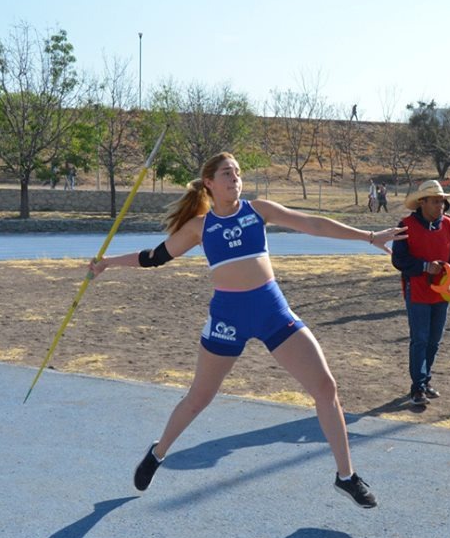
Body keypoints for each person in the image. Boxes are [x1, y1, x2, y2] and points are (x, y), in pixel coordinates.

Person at [88, 152, 406, 509]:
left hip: (271, 310)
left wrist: (369, 236)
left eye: (238, 173)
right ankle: (157, 453)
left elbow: (313, 224)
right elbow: (154, 257)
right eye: (227, 174)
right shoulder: (199, 227)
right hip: (228, 317)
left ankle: (345, 476)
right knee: (199, 398)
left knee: (325, 386)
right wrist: (108, 264)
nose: (235, 179)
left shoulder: (258, 210)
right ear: (209, 182)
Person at [391, 180, 450, 407]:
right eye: (435, 201)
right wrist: (424, 267)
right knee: (420, 339)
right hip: (418, 291)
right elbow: (399, 260)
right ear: (422, 203)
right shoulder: (405, 226)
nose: (440, 205)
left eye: (442, 201)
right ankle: (417, 387)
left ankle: (425, 379)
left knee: (434, 341)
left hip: (443, 292)